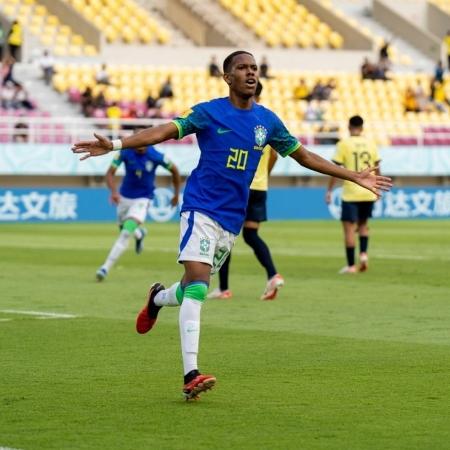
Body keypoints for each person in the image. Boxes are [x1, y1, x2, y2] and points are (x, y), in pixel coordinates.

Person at [72, 51, 392, 400]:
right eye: (242, 68)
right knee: (198, 287)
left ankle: (157, 299)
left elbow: (304, 156)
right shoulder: (209, 112)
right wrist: (117, 143)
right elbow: (165, 130)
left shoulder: (267, 121)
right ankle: (190, 373)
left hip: (231, 218)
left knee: (187, 289)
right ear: (227, 77)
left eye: (254, 68)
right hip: (200, 207)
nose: (250, 73)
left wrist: (352, 175)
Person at [208, 81, 283, 301]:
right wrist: (264, 176)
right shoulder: (268, 121)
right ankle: (272, 274)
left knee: (225, 234)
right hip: (260, 187)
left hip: (240, 187)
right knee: (251, 235)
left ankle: (223, 288)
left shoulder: (241, 118)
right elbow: (276, 155)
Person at [96, 128, 181, 281]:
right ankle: (140, 234)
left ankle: (105, 268)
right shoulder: (124, 152)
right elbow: (110, 173)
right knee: (124, 227)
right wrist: (114, 192)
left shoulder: (156, 155)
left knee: (125, 233)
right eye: (138, 137)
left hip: (143, 198)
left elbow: (175, 170)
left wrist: (176, 194)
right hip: (124, 198)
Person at [325, 115, 381, 274]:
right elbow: (376, 167)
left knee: (349, 229)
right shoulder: (371, 144)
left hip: (351, 192)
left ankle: (351, 266)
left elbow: (335, 170)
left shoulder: (343, 144)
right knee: (363, 225)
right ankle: (363, 254)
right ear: (362, 128)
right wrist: (376, 187)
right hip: (368, 191)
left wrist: (329, 190)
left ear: (349, 127)